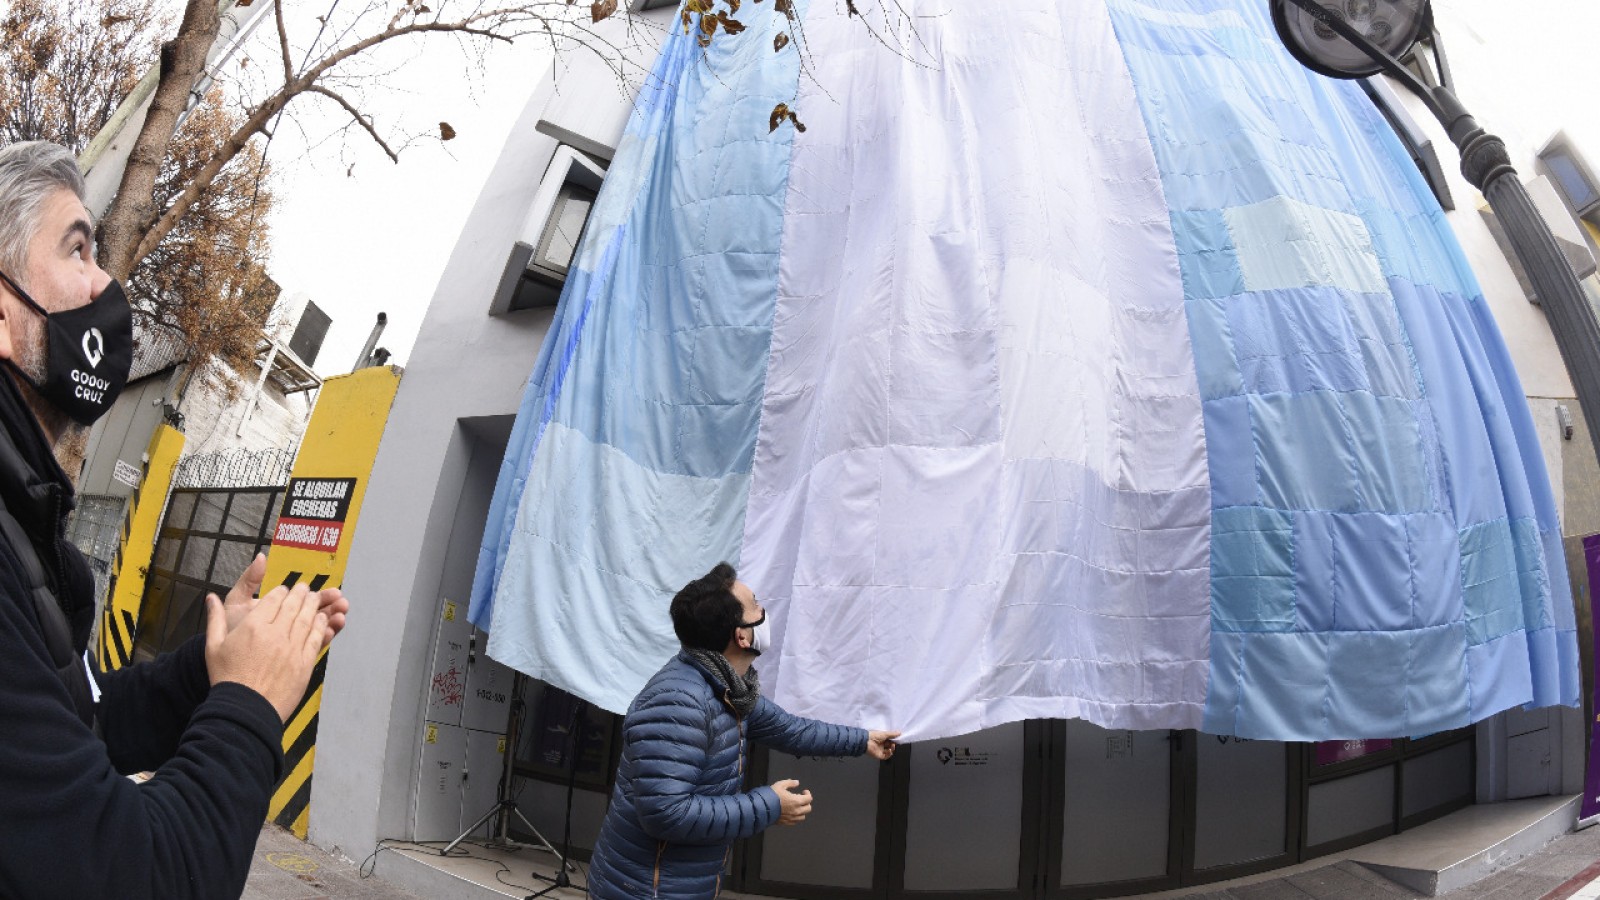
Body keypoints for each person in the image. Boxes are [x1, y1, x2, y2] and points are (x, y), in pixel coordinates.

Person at [0, 141, 350, 899]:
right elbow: (131, 874)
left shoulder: (20, 521)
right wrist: (250, 701)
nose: (107, 284)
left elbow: (73, 722)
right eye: (79, 248)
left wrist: (208, 668)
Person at [587, 562, 900, 900]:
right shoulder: (678, 703)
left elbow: (789, 729)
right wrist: (769, 805)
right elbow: (666, 814)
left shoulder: (728, 688)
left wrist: (862, 740)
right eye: (756, 605)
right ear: (742, 635)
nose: (764, 611)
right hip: (645, 891)